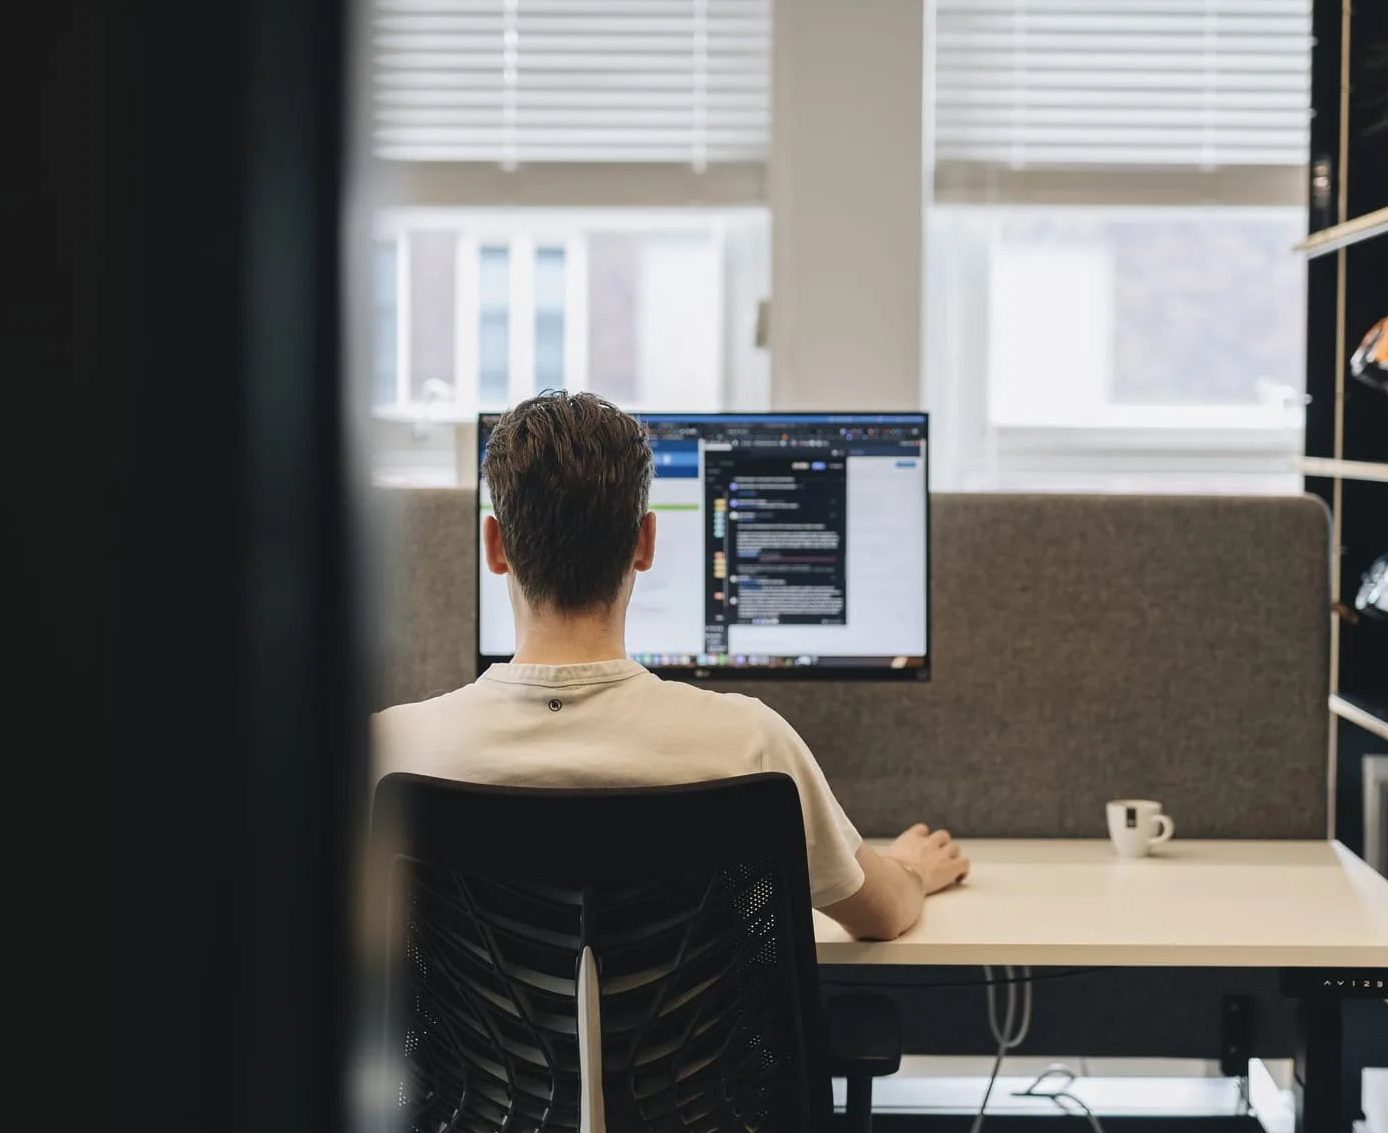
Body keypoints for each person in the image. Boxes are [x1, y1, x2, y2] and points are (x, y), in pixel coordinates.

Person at [374, 391, 967, 940]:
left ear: (495, 547)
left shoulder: (385, 749)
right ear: (646, 542)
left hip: (465, 1058)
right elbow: (881, 916)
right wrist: (910, 869)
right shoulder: (749, 743)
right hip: (696, 1057)